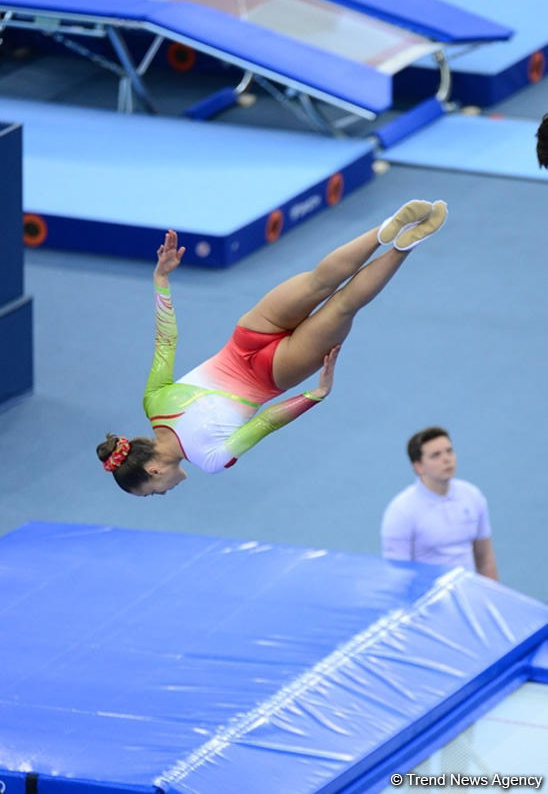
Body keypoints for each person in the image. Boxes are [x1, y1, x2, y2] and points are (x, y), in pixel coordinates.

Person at [97, 199, 447, 496]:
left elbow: (266, 422)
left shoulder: (211, 459)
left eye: (154, 493)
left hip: (274, 372)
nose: (165, 492)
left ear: (154, 470)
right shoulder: (153, 403)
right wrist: (161, 279)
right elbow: (166, 340)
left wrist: (316, 395)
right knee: (318, 281)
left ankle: (404, 244)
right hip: (248, 335)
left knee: (343, 305)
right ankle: (382, 230)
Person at [381, 426, 498, 579]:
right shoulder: (401, 511)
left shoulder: (472, 496)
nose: (447, 459)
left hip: (467, 597)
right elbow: (396, 576)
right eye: (436, 455)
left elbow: (485, 559)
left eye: (449, 451)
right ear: (419, 467)